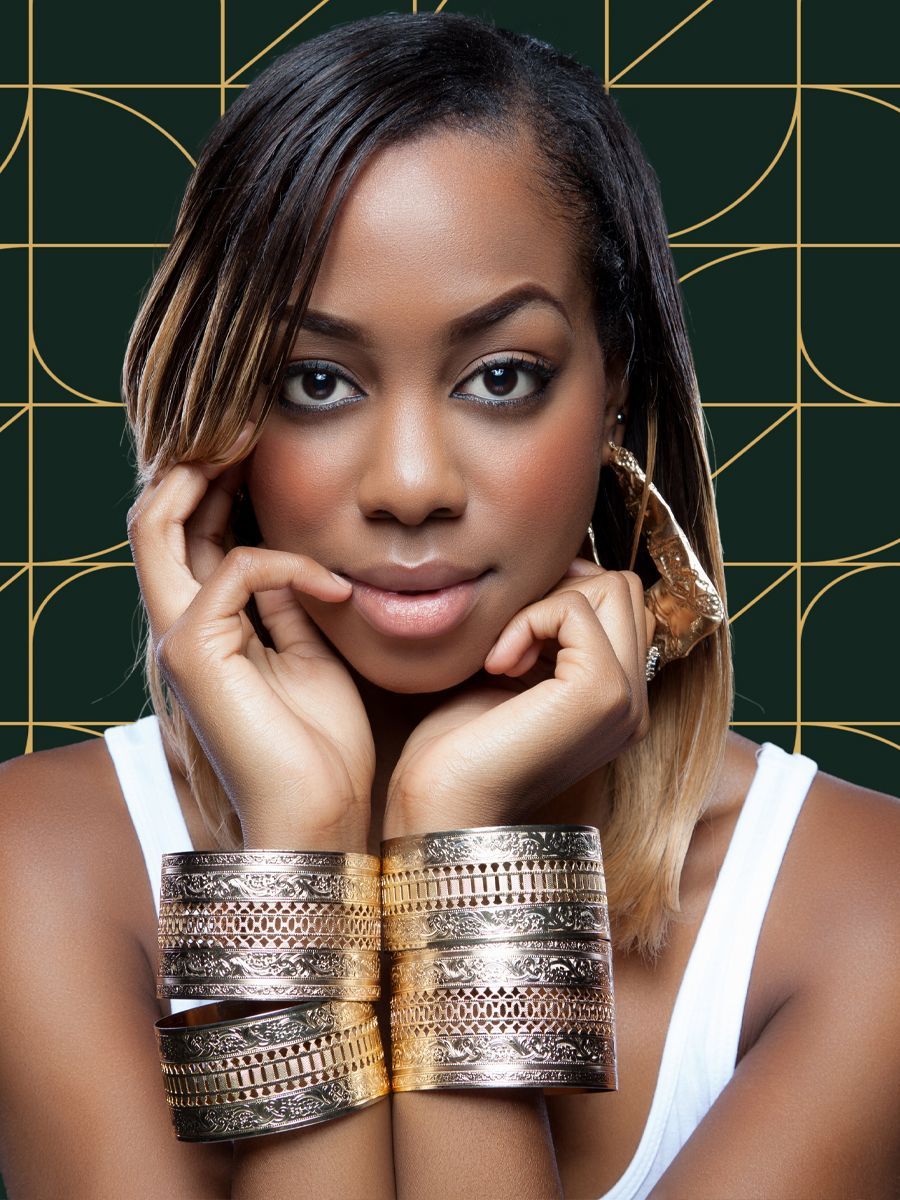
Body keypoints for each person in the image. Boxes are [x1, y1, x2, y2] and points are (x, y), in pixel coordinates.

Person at [0, 11, 897, 1200]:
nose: (411, 484)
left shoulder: (863, 911)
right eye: (316, 381)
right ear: (222, 420)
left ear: (615, 386)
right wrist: (301, 837)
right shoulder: (36, 868)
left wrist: (458, 842)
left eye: (500, 378)